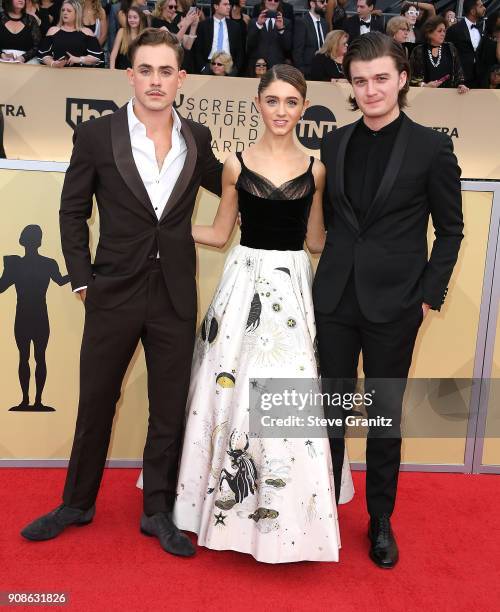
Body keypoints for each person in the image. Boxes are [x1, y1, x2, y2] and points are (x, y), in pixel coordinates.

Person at [20, 28, 223, 558]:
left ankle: (157, 510)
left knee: (168, 409)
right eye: (146, 70)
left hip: (175, 294)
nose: (156, 81)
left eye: (166, 71)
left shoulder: (197, 139)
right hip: (112, 291)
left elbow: (237, 187)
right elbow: (72, 211)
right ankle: (76, 502)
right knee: (96, 403)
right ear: (130, 74)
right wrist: (82, 278)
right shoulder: (97, 136)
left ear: (182, 78)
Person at [140, 63, 354, 563]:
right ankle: (221, 506)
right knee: (229, 389)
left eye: (291, 102)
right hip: (242, 290)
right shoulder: (235, 163)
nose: (282, 111)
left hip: (293, 290)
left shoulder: (317, 168)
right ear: (258, 104)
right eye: (273, 100)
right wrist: (159, 225)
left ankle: (288, 510)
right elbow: (218, 233)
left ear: (304, 108)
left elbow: (317, 240)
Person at [313, 32, 463, 569]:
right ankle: (321, 508)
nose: (371, 89)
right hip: (333, 298)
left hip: (394, 306)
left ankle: (379, 519)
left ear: (402, 79)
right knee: (328, 412)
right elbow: (330, 222)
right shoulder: (334, 143)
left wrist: (426, 298)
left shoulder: (432, 147)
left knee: (382, 415)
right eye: (360, 80)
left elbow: (451, 230)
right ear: (349, 86)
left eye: (381, 78)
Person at [410, 16, 468, 92]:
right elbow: (413, 79)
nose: (443, 34)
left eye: (444, 31)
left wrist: (461, 85)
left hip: (448, 96)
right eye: (439, 31)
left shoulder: (450, 48)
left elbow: (459, 74)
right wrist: (424, 85)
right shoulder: (419, 50)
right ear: (429, 33)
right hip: (425, 96)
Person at [38, 0, 103, 67]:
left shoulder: (87, 32)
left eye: (69, 11)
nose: (65, 13)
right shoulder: (53, 31)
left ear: (77, 13)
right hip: (57, 72)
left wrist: (79, 59)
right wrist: (53, 63)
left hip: (81, 73)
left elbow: (96, 57)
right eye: (63, 10)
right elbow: (44, 54)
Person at [193, 0, 244, 75]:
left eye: (229, 5)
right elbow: (198, 49)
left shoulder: (235, 26)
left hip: (229, 66)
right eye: (225, 4)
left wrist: (236, 69)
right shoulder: (204, 25)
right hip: (209, 66)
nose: (228, 7)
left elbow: (240, 51)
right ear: (216, 6)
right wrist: (202, 68)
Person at [445, 0, 486, 88]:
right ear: (472, 11)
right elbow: (446, 53)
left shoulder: (481, 29)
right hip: (461, 79)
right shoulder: (454, 29)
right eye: (481, 6)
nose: (484, 8)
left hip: (478, 79)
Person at [246, 0, 292, 71]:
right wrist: (258, 25)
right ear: (264, 1)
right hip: (257, 68)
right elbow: (249, 45)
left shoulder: (286, 23)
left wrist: (281, 29)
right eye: (270, 0)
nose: (273, 2)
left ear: (279, 3)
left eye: (276, 0)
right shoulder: (254, 22)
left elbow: (287, 47)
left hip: (277, 68)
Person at [292, 0, 328, 78]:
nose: (325, 4)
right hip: (308, 70)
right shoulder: (302, 22)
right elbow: (297, 50)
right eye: (322, 2)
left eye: (326, 1)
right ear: (312, 4)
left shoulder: (325, 23)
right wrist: (301, 70)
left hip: (324, 69)